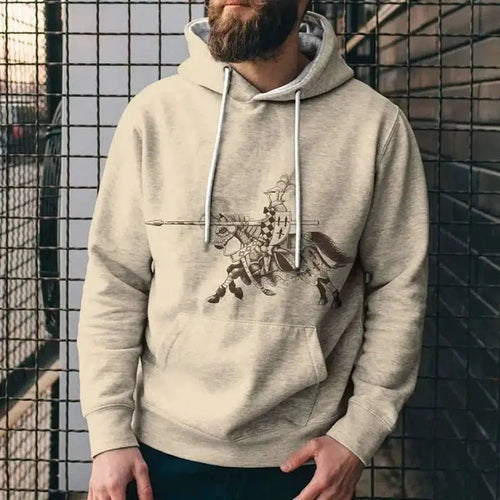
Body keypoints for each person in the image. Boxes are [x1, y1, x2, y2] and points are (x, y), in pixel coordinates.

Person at [76, 0, 429, 499]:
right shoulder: (153, 116)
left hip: (304, 459)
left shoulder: (375, 127)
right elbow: (115, 279)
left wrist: (359, 432)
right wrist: (109, 433)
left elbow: (399, 287)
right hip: (157, 450)